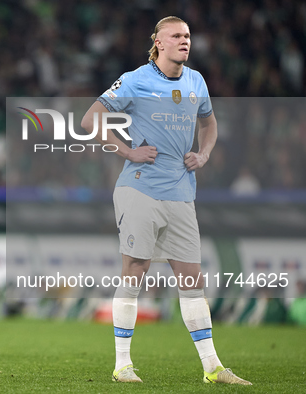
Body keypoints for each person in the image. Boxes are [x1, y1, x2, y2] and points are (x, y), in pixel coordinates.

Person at [81, 16, 251, 385]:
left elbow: (210, 123)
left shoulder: (196, 81)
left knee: (192, 279)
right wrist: (127, 151)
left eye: (187, 36)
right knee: (135, 270)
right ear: (158, 42)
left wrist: (203, 154)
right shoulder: (135, 79)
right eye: (176, 35)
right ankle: (122, 366)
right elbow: (90, 119)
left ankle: (212, 368)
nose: (184, 41)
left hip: (181, 193)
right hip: (139, 189)